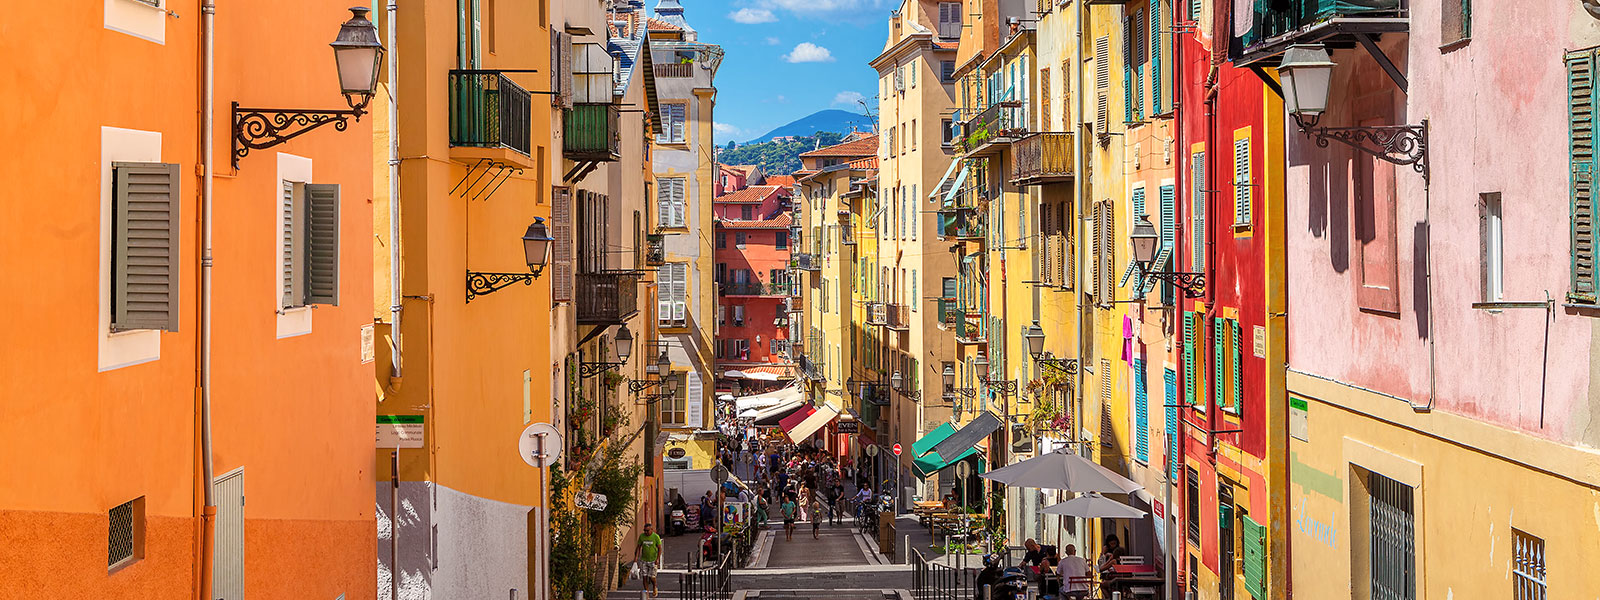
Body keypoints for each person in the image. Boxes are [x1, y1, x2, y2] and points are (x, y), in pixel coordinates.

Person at [634, 522, 663, 598]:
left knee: (652, 577)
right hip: (644, 560)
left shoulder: (656, 537)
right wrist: (636, 558)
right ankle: (646, 593)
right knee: (644, 577)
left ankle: (654, 587)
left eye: (647, 530)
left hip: (653, 560)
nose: (646, 532)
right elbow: (638, 547)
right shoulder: (642, 537)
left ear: (651, 530)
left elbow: (660, 548)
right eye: (644, 531)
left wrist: (657, 559)